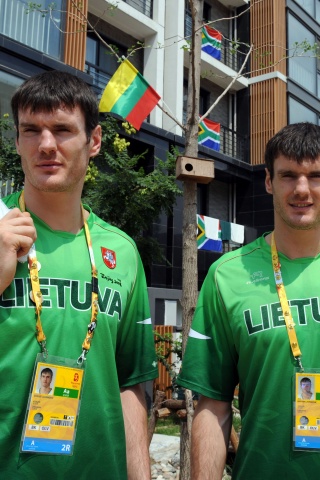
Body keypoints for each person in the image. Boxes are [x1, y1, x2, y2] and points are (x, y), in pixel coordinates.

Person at [0, 70, 158, 479]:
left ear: (95, 141)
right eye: (31, 130)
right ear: (16, 140)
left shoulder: (121, 252)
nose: (46, 145)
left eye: (62, 130)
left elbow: (130, 384)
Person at [177, 122, 320, 479]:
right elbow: (213, 405)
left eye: (316, 175)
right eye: (289, 175)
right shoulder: (228, 275)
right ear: (269, 181)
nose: (302, 189)